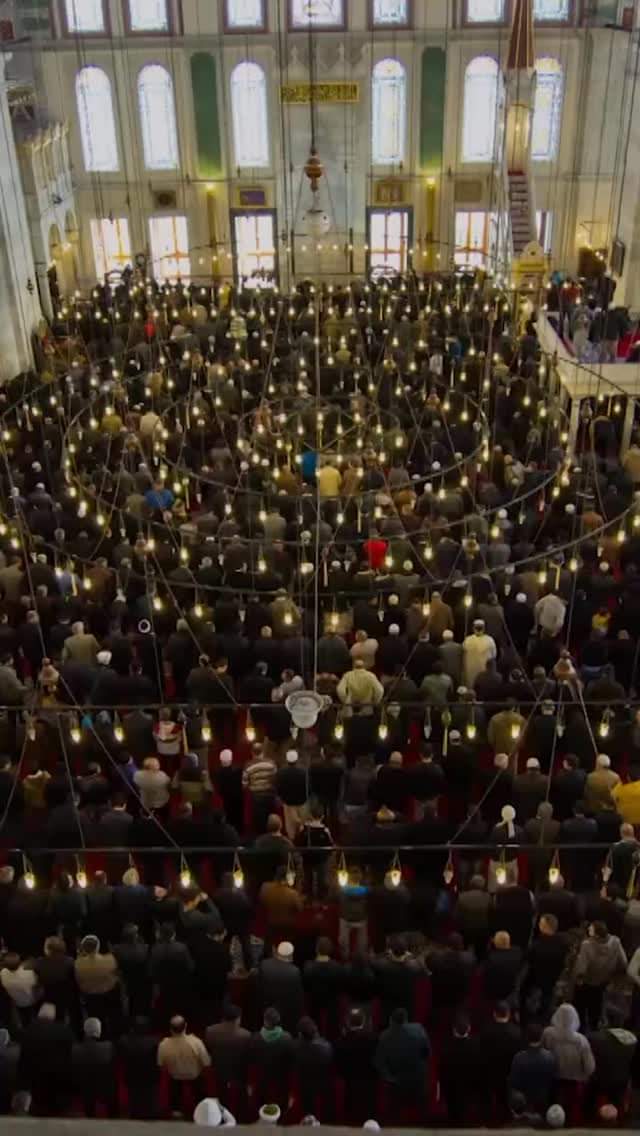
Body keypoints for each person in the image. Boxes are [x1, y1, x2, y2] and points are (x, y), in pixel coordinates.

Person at [374, 1007, 430, 1121]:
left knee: (394, 1117)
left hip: (396, 1083)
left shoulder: (384, 1036)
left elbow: (380, 1062)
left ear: (391, 1021)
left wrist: (389, 1078)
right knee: (421, 1116)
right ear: (406, 1019)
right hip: (417, 1080)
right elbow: (427, 1052)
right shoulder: (419, 1029)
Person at [574, 922, 628, 1029]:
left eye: (591, 929)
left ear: (596, 935)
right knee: (597, 1003)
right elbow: (623, 962)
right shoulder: (615, 941)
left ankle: (581, 1027)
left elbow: (581, 968)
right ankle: (594, 1026)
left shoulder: (587, 945)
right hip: (604, 980)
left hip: (587, 981)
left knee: (581, 1005)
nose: (589, 928)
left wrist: (578, 979)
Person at [157, 1014, 211, 1118]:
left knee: (174, 1089)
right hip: (195, 1076)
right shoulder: (196, 1042)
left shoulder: (163, 1044)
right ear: (186, 1026)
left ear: (170, 1028)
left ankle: (176, 1111)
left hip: (175, 1077)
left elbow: (161, 1065)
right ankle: (202, 1112)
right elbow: (206, 1063)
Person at [335, 1008, 378, 1125]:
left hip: (350, 1079)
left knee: (351, 1105)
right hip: (368, 1079)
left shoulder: (341, 1041)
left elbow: (338, 1064)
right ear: (364, 1022)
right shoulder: (373, 1039)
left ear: (348, 1023)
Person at [71, 1016, 117, 1118]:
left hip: (84, 1088)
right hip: (105, 1087)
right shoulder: (108, 1046)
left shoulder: (75, 1049)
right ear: (99, 1031)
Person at [509, 1022, 557, 1116]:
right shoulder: (550, 1057)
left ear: (527, 1037)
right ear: (541, 1036)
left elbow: (514, 1083)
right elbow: (553, 1083)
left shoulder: (519, 1058)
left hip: (525, 1106)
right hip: (545, 1104)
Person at [542, 1003, 595, 1083]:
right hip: (575, 1084)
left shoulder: (547, 1033)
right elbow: (589, 1068)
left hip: (553, 1081)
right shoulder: (581, 1040)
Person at [257, 942, 304, 1033]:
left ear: (277, 952)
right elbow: (297, 996)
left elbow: (259, 988)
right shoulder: (294, 971)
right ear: (290, 956)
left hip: (266, 1009)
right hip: (286, 1013)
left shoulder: (264, 964)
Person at [119, 1016, 160, 1120]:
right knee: (150, 1098)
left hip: (132, 1076)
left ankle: (135, 1114)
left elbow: (122, 1059)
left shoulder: (124, 1040)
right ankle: (151, 1114)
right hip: (150, 1077)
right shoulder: (155, 1041)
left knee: (134, 1098)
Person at [294, 1017, 333, 1121]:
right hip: (322, 1081)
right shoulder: (326, 1046)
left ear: (301, 1034)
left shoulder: (295, 1047)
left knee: (307, 1107)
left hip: (305, 1083)